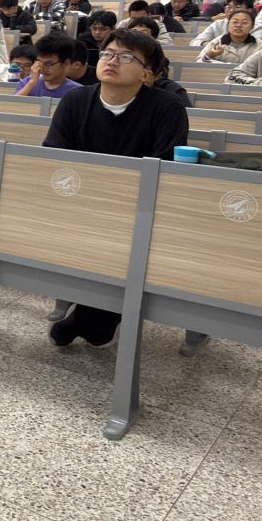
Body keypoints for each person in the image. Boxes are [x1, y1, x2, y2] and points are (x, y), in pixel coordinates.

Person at [42, 30, 190, 348]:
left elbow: (165, 168)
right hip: (78, 203)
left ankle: (89, 318)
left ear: (148, 74)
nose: (112, 61)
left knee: (123, 241)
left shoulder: (168, 107)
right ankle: (94, 319)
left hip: (140, 210)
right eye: (108, 54)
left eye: (126, 57)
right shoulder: (76, 101)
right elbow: (54, 157)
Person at [14, 32, 84, 98]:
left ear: (66, 63)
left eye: (49, 64)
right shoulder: (28, 82)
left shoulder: (78, 91)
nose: (43, 68)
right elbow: (12, 104)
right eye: (39, 62)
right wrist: (32, 82)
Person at [197, 7, 262, 66]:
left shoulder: (259, 46)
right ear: (228, 25)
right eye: (235, 22)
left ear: (252, 27)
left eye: (244, 23)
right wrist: (209, 55)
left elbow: (261, 68)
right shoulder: (217, 42)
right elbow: (198, 62)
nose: (239, 25)